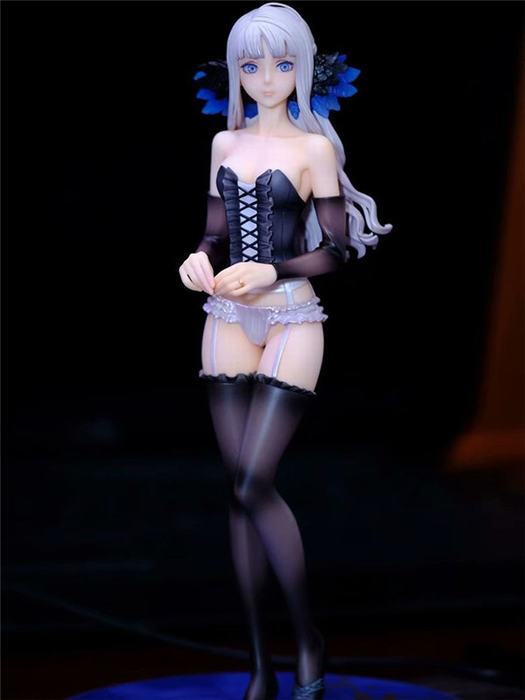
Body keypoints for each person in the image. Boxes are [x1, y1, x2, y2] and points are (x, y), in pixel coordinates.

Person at [179, 4, 392, 698]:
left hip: (293, 318)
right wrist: (197, 257)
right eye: (250, 64)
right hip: (225, 317)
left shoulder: (314, 150)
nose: (265, 77)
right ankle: (260, 665)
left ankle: (306, 641)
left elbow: (337, 251)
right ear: (234, 70)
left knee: (251, 482)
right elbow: (214, 234)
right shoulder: (224, 142)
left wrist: (271, 269)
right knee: (237, 492)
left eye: (279, 63)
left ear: (301, 66)